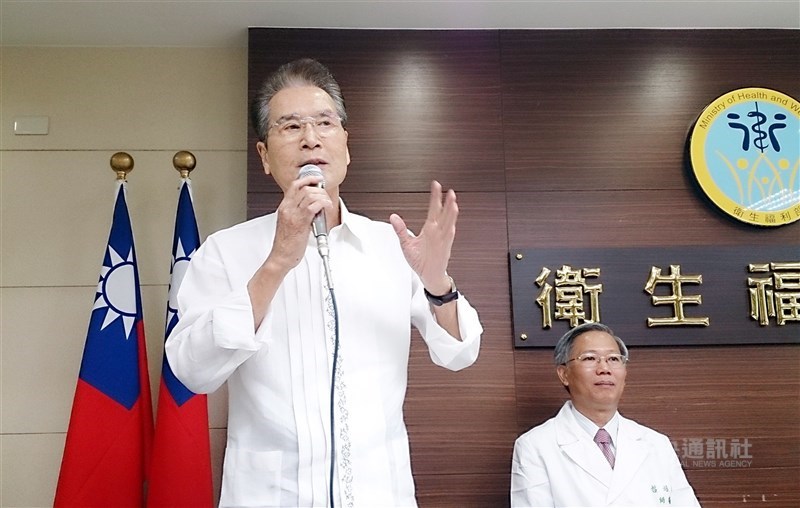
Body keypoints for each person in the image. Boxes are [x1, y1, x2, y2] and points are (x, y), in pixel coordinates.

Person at [165, 58, 483, 508]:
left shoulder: (389, 245)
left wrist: (436, 281)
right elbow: (192, 370)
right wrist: (277, 262)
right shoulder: (224, 251)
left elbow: (459, 353)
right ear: (264, 156)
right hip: (270, 496)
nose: (310, 138)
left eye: (324, 123)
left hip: (380, 494)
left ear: (347, 146)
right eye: (290, 126)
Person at [510, 322, 700, 507]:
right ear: (564, 374)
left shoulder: (656, 443)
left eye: (614, 359)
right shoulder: (535, 446)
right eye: (590, 358)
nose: (604, 369)